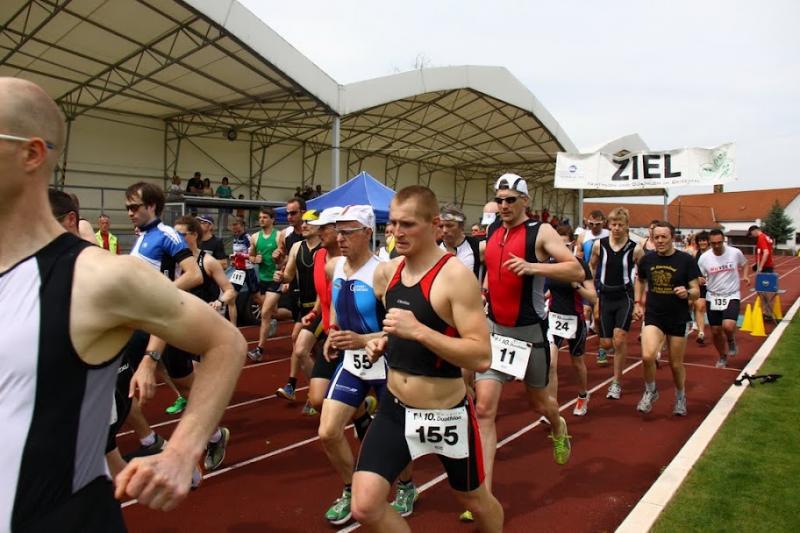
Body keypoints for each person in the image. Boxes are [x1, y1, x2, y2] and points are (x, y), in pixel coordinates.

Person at [0, 76, 245, 531]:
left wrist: (181, 450)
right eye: (127, 207)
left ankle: (194, 437)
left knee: (147, 394)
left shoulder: (100, 274)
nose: (129, 212)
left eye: (135, 206)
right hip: (130, 325)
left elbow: (225, 340)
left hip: (60, 516)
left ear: (31, 154)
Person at [352, 185, 504, 533]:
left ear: (435, 225)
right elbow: (398, 329)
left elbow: (481, 356)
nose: (397, 232)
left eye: (407, 224)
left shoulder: (455, 277)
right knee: (365, 506)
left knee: (474, 500)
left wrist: (419, 331)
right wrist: (383, 342)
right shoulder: (388, 273)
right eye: (393, 224)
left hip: (445, 413)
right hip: (395, 408)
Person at [473, 174, 583, 520]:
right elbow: (491, 267)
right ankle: (483, 496)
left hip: (529, 335)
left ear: (525, 201)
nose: (503, 205)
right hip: (496, 332)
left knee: (540, 403)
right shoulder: (492, 230)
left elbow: (577, 271)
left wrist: (533, 266)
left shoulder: (541, 232)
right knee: (484, 410)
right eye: (499, 200)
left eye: (510, 199)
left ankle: (558, 424)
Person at [633, 221, 701, 416]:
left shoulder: (685, 260)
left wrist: (687, 293)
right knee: (648, 356)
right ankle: (650, 391)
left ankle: (680, 396)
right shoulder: (647, 259)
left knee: (675, 364)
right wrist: (638, 302)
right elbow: (640, 280)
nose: (660, 240)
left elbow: (696, 290)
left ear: (672, 238)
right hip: (654, 315)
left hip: (678, 316)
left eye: (664, 237)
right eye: (656, 237)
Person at [589, 207, 644, 400]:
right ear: (609, 225)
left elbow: (642, 276)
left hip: (624, 296)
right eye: (614, 224)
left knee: (619, 338)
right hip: (605, 295)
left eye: (621, 225)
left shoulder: (635, 249)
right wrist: (591, 292)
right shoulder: (599, 245)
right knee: (606, 342)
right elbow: (591, 267)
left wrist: (638, 302)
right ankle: (604, 347)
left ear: (627, 226)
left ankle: (616, 382)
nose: (617, 228)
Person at [546, 224, 596, 415]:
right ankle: (552, 407)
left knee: (577, 363)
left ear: (573, 243)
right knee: (551, 364)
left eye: (565, 244)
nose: (561, 248)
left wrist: (576, 285)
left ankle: (583, 395)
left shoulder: (580, 265)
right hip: (554, 318)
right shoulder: (550, 264)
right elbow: (551, 289)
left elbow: (593, 297)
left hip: (575, 320)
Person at [274, 209, 322, 403]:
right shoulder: (296, 247)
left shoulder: (326, 248)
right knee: (303, 345)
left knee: (310, 346)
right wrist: (280, 275)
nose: (304, 225)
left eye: (309, 222)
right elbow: (289, 275)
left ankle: (312, 390)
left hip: (321, 306)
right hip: (303, 305)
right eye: (304, 222)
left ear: (320, 226)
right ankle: (300, 387)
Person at [698, 230, 749, 368]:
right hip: (713, 296)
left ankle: (731, 340)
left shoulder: (735, 252)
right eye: (713, 243)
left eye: (719, 243)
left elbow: (745, 263)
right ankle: (722, 356)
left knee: (728, 325)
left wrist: (745, 276)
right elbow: (699, 275)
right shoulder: (704, 258)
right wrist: (699, 279)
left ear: (723, 241)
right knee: (715, 331)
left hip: (731, 294)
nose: (716, 246)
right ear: (710, 242)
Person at [247, 207, 283, 361]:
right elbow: (250, 256)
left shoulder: (279, 236)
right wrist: (255, 259)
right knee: (273, 312)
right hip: (263, 279)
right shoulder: (255, 237)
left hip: (276, 279)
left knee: (265, 312)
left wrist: (279, 259)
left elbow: (286, 257)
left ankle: (259, 350)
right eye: (260, 217)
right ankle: (294, 314)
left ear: (272, 219)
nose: (261, 220)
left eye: (265, 217)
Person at [576, 209, 609, 357]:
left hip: (605, 279)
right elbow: (578, 257)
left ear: (603, 223)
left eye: (597, 224)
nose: (594, 227)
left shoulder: (609, 235)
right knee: (585, 311)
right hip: (588, 278)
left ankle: (603, 344)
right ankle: (582, 340)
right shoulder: (583, 236)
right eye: (591, 224)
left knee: (598, 317)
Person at [439, 205, 481, 278]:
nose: (444, 230)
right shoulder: (434, 246)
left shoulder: (476, 246)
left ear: (461, 226)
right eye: (441, 226)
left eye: (449, 226)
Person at [748, 224, 777, 316]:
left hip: (765, 267)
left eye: (751, 234)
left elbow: (766, 252)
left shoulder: (761, 238)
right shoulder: (766, 237)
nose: (752, 236)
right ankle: (767, 310)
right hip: (767, 265)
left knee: (762, 289)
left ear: (754, 231)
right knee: (763, 289)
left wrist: (760, 266)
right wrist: (757, 264)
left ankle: (767, 311)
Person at [691, 231, 711, 344]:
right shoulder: (695, 254)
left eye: (704, 240)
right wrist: (697, 278)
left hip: (714, 286)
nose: (702, 242)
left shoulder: (713, 254)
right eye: (700, 241)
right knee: (700, 307)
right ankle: (701, 332)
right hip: (701, 285)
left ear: (708, 241)